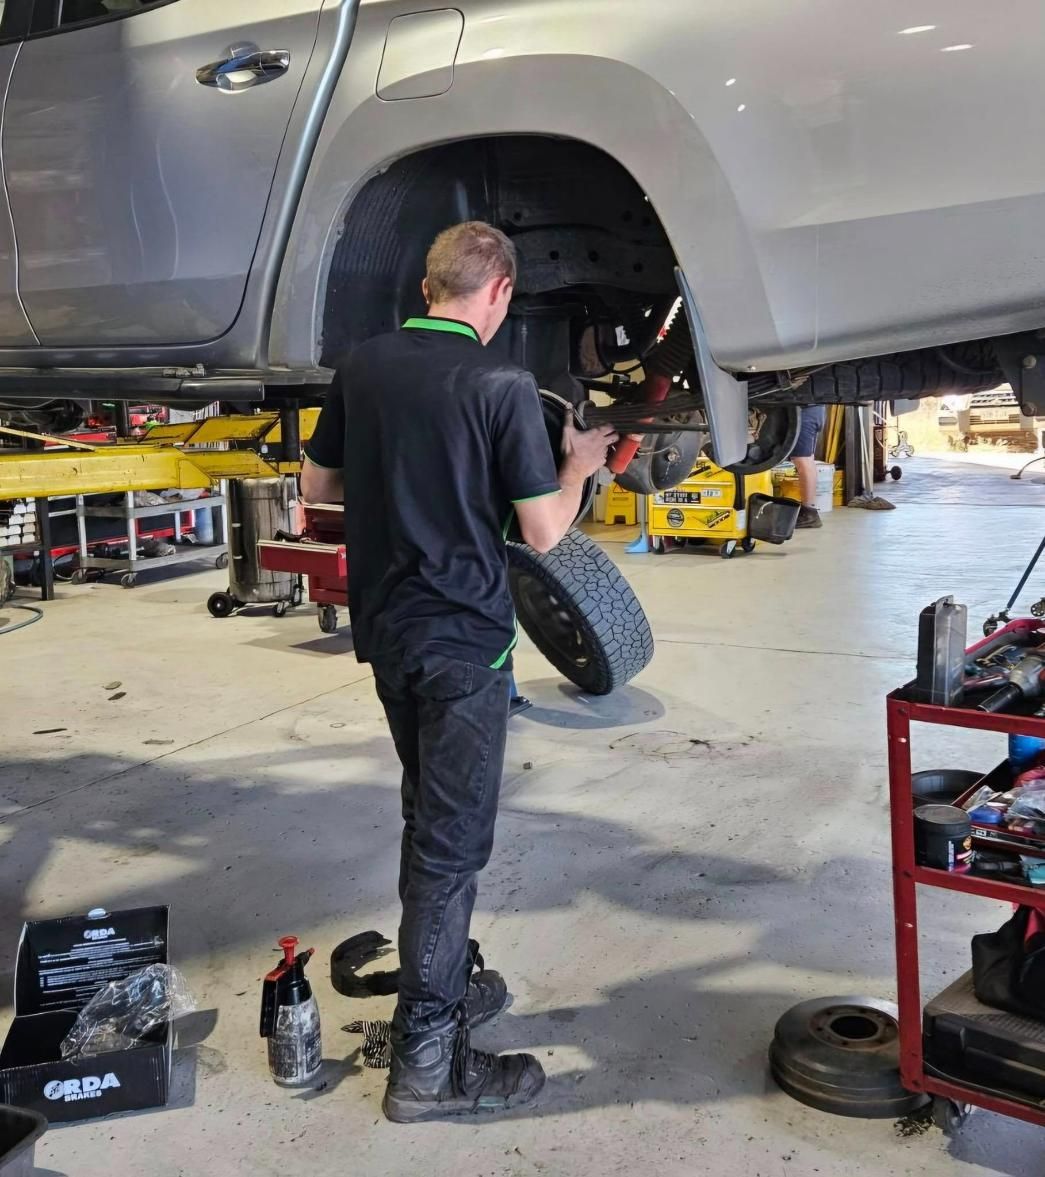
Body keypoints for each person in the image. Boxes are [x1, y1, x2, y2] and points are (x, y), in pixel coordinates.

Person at [300, 221, 617, 1123]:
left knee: (425, 818)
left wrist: (410, 483)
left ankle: (434, 993)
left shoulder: (362, 365)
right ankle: (429, 1068)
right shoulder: (502, 383)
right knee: (451, 851)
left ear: (431, 286)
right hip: (465, 649)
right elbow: (545, 530)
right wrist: (578, 465)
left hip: (388, 638)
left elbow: (318, 492)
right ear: (501, 292)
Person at [792, 405, 827, 528]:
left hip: (804, 412)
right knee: (808, 459)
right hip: (813, 410)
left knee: (802, 460)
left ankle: (809, 514)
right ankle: (809, 510)